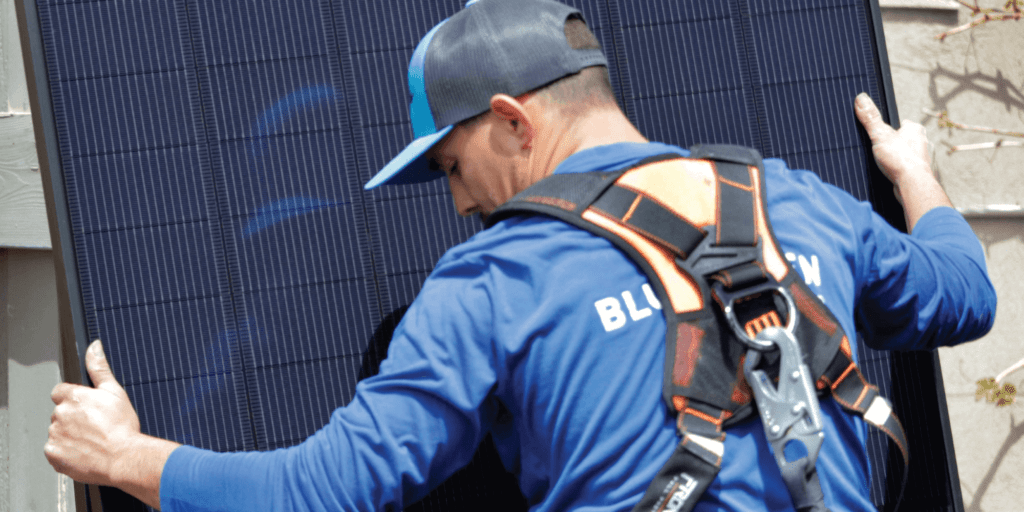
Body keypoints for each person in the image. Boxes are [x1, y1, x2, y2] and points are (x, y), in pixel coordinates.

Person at [44, 0, 996, 510]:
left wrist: (128, 457)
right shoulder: (795, 199)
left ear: (510, 118)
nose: (456, 201)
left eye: (453, 164)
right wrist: (915, 175)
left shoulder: (495, 283)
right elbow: (964, 296)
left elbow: (322, 490)